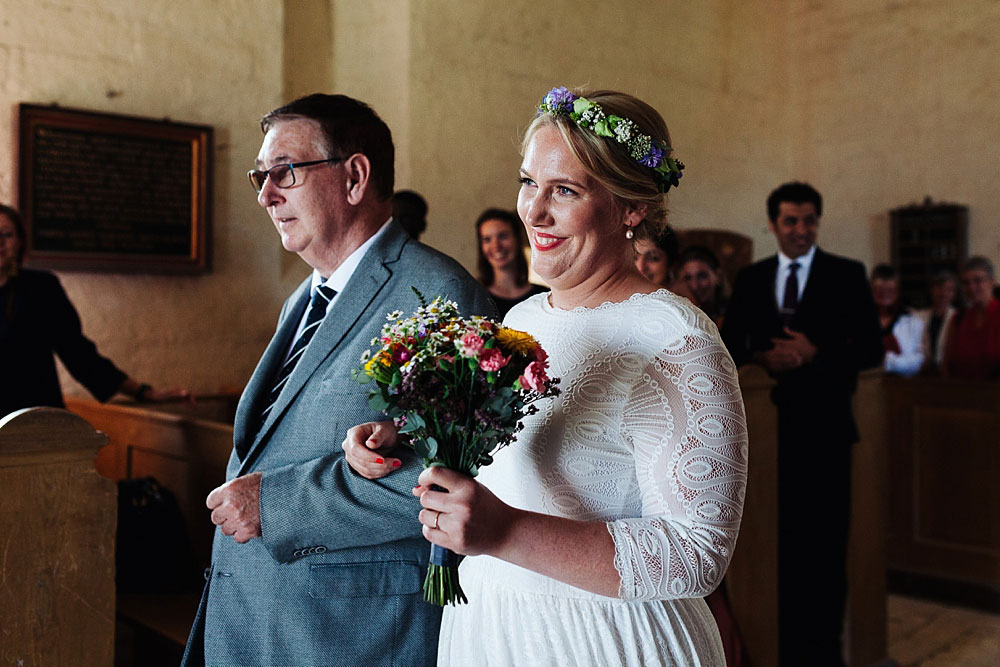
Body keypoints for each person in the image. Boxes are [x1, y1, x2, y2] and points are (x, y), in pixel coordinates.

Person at [345, 86, 748, 666]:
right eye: (529, 181)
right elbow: (511, 467)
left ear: (631, 208)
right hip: (494, 624)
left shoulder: (674, 340)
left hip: (606, 640)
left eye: (565, 190)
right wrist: (408, 443)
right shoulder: (524, 317)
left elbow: (695, 552)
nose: (532, 211)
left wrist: (505, 532)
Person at [180, 93, 492, 667]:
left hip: (347, 633)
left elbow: (449, 474)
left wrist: (274, 504)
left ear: (354, 176)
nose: (266, 195)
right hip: (261, 619)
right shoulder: (307, 295)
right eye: (261, 176)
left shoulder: (436, 292)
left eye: (285, 172)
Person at [721, 181, 883, 666]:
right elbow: (729, 346)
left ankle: (824, 652)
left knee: (826, 552)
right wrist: (762, 355)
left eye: (809, 220)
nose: (800, 230)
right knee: (778, 549)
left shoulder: (847, 274)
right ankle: (781, 648)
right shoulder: (752, 278)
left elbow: (871, 349)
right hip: (766, 440)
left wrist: (817, 351)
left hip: (827, 432)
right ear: (773, 225)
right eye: (790, 220)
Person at [0, 204, 188, 418]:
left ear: (21, 241)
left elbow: (78, 353)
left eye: (7, 234)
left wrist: (142, 392)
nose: (0, 243)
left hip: (35, 419)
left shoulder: (41, 288)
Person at [475, 207, 547, 318]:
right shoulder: (475, 298)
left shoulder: (543, 298)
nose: (496, 246)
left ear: (518, 239)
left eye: (503, 236)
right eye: (487, 240)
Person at [942, 256, 1000, 380]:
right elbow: (947, 364)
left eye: (978, 281)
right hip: (963, 394)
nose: (972, 288)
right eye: (966, 283)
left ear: (992, 282)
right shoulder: (958, 319)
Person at [871, 264, 924, 377]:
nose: (884, 294)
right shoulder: (858, 321)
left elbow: (919, 360)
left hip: (903, 387)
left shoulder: (913, 321)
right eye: (879, 289)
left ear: (898, 291)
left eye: (890, 289)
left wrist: (889, 361)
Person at [677, 245, 727, 327]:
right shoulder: (676, 314)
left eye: (702, 276)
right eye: (688, 278)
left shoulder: (733, 311)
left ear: (718, 276)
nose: (695, 286)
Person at [918, 270, 957, 373]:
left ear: (954, 294)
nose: (943, 293)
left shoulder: (957, 317)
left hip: (948, 372)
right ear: (932, 290)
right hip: (923, 371)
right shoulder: (919, 316)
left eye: (949, 290)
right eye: (939, 288)